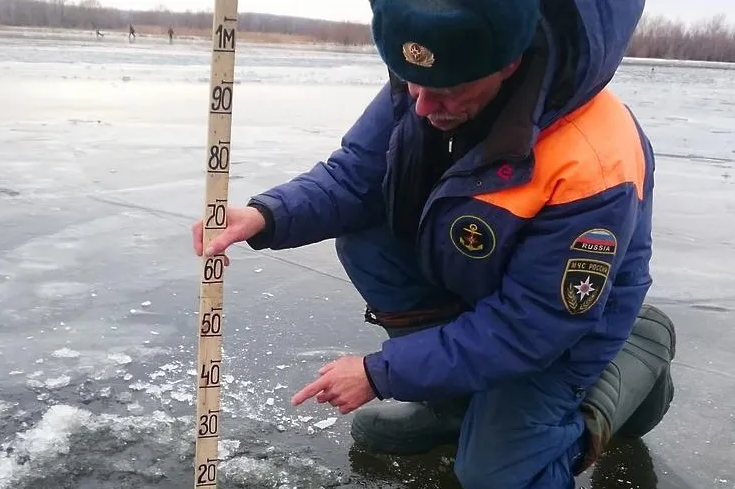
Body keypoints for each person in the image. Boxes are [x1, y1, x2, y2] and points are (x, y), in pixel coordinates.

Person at [191, 0, 676, 487]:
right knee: (368, 241)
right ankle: (457, 408)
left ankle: (635, 355)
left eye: (445, 92)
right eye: (409, 83)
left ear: (508, 63)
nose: (421, 106)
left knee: (494, 474)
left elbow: (531, 327)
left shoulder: (593, 161)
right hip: (486, 277)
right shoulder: (433, 71)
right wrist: (264, 216)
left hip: (566, 325)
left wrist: (381, 374)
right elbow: (358, 175)